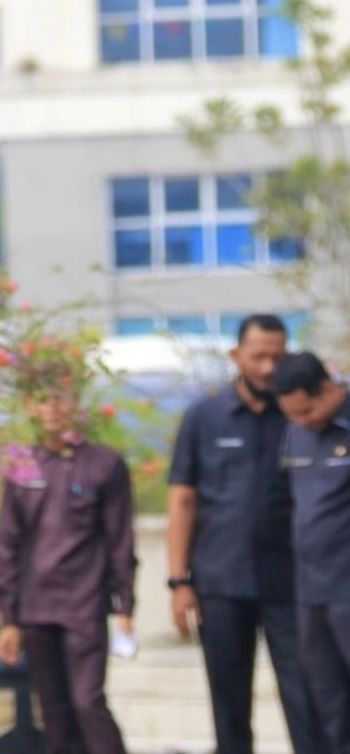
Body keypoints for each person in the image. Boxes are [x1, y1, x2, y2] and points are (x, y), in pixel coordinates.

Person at [167, 314, 324, 754]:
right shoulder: (203, 417)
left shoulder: (299, 415)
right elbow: (182, 499)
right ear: (236, 356)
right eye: (258, 356)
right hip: (220, 582)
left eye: (277, 355)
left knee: (305, 696)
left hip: (291, 582)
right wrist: (179, 580)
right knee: (229, 702)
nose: (269, 367)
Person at [0, 369, 136, 754]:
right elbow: (8, 542)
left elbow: (120, 539)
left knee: (87, 701)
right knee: (53, 710)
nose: (53, 407)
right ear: (29, 407)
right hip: (36, 607)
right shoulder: (23, 467)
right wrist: (8, 616)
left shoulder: (105, 464)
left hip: (85, 604)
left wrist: (124, 602)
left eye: (61, 397)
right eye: (43, 399)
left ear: (77, 403)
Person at [273, 351, 350, 754]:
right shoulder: (296, 431)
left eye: (307, 410)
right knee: (329, 700)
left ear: (329, 387)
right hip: (311, 591)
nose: (302, 421)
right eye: (292, 415)